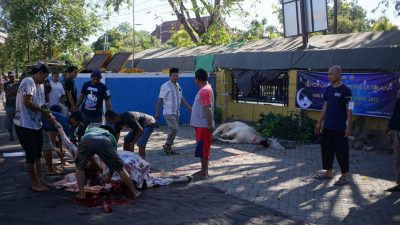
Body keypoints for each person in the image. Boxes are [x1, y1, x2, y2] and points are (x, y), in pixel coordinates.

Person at [73, 125, 141, 199]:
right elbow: (114, 163)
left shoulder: (90, 130)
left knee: (79, 168)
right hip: (103, 141)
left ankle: (82, 195)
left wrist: (97, 167)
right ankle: (135, 192)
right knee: (120, 168)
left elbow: (89, 156)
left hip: (86, 140)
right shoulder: (111, 136)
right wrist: (109, 176)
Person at [13, 62, 52, 192]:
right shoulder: (28, 81)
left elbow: (41, 104)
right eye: (45, 76)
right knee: (31, 155)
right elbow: (27, 102)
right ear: (40, 73)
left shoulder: (39, 85)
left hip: (36, 125)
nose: (45, 79)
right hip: (24, 125)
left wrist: (49, 114)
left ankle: (39, 179)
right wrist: (43, 111)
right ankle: (34, 182)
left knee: (38, 154)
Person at [314, 65, 352, 186]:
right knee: (327, 150)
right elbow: (325, 106)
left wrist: (349, 126)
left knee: (342, 151)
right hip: (328, 126)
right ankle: (328, 172)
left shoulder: (346, 90)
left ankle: (344, 176)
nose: (329, 76)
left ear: (338, 74)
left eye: (331, 73)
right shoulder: (328, 89)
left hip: (340, 128)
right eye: (328, 73)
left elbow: (350, 108)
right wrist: (319, 122)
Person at [155, 68, 192, 155]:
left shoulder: (178, 86)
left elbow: (181, 99)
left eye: (177, 75)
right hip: (168, 112)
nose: (175, 77)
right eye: (174, 75)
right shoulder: (165, 86)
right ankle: (167, 146)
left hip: (176, 113)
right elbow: (160, 99)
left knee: (173, 130)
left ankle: (168, 148)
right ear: (170, 76)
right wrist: (157, 112)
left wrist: (190, 108)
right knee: (175, 128)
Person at [190, 68, 215, 179]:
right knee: (202, 148)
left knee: (204, 148)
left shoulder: (205, 90)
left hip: (203, 125)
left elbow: (208, 108)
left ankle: (204, 172)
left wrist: (209, 124)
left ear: (197, 79)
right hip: (201, 125)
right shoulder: (206, 89)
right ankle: (203, 170)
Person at [76, 69, 111, 140]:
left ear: (100, 79)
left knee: (95, 135)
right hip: (84, 114)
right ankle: (80, 146)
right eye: (94, 79)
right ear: (91, 77)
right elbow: (81, 96)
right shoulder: (86, 85)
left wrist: (109, 112)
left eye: (97, 79)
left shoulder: (103, 88)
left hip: (97, 116)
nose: (95, 81)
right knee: (80, 132)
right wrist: (76, 107)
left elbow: (107, 101)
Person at [385, 90, 400, 192]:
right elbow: (395, 112)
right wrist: (389, 125)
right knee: (398, 158)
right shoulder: (399, 97)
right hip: (396, 130)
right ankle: (399, 183)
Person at [3, 71, 19, 141]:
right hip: (9, 105)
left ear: (15, 76)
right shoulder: (6, 84)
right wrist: (15, 93)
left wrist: (13, 92)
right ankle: (11, 135)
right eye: (10, 76)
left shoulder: (19, 84)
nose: (11, 77)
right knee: (9, 122)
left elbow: (19, 93)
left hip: (18, 105)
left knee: (19, 121)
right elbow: (8, 94)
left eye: (12, 76)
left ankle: (19, 135)